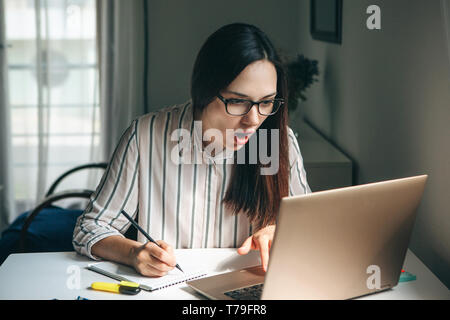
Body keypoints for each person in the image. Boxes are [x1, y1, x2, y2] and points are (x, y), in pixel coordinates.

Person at [72, 23, 311, 277]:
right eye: (238, 101)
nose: (253, 120)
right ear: (204, 91)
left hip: (246, 289)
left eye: (266, 102)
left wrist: (282, 231)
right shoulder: (145, 136)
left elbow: (311, 226)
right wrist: (133, 253)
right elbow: (90, 227)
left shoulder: (277, 141)